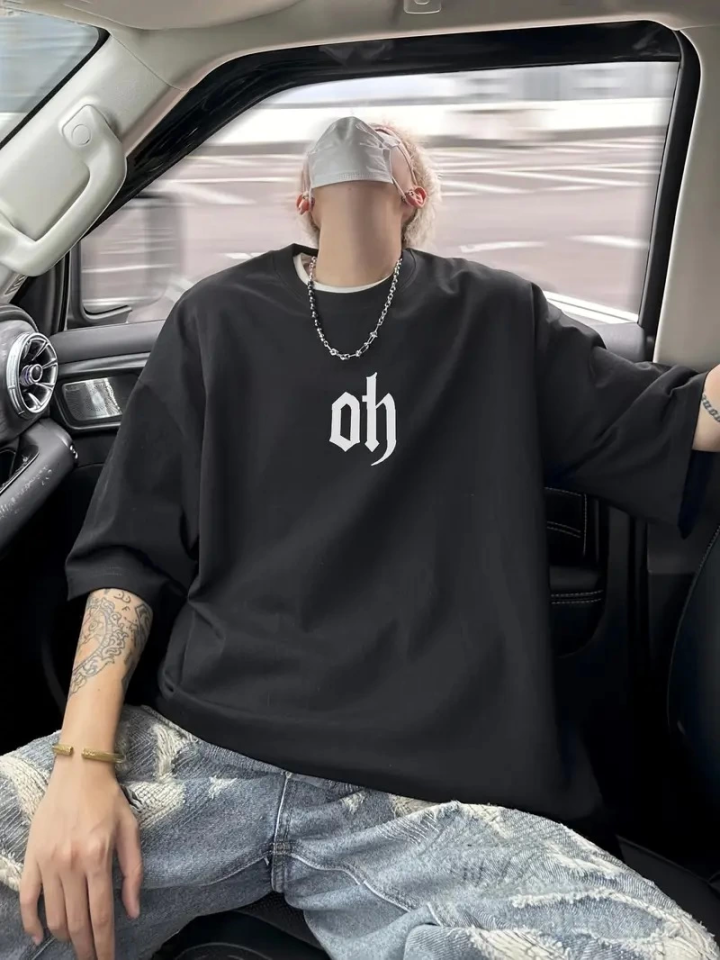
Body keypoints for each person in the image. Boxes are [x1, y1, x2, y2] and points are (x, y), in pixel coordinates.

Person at [1, 116, 719, 960]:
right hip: (202, 754)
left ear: (414, 195)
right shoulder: (214, 318)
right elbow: (127, 555)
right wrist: (83, 761)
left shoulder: (497, 317)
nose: (356, 132)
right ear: (302, 201)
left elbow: (682, 421)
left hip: (439, 796)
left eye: (390, 138)